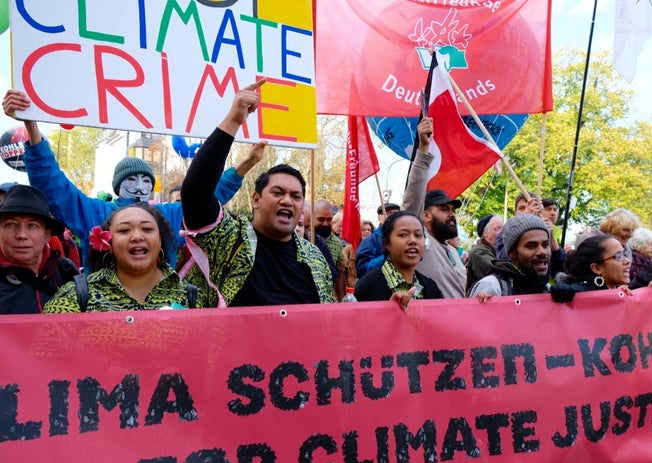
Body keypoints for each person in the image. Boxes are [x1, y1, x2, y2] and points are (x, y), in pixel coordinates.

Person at [3, 89, 248, 270]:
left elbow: (204, 198)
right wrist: (31, 127)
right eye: (132, 180)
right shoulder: (94, 212)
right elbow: (54, 187)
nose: (140, 187)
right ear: (117, 186)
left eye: (146, 181)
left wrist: (242, 167)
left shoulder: (171, 215)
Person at [180, 79, 335, 307]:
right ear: (256, 200)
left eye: (296, 196)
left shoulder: (314, 259)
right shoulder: (230, 240)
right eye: (278, 192)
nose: (287, 200)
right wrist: (233, 121)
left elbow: (328, 319)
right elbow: (195, 194)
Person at [44, 203, 200, 312]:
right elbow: (45, 353)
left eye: (147, 229)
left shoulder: (191, 296)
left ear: (160, 241)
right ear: (109, 244)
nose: (137, 236)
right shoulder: (77, 295)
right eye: (124, 230)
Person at [401, 117, 466, 298]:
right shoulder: (422, 243)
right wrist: (423, 149)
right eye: (444, 209)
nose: (452, 215)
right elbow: (412, 199)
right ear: (426, 216)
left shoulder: (452, 251)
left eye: (453, 210)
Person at [0, 185, 78, 314]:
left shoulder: (65, 272)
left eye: (32, 225)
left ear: (47, 235)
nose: (21, 235)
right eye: (10, 224)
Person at [355, 211, 442, 308]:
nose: (413, 241)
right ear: (386, 243)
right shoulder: (368, 286)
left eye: (418, 235)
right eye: (403, 235)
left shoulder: (430, 286)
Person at [550, 234, 652, 303]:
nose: (627, 260)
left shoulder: (619, 290)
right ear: (596, 268)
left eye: (624, 254)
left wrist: (647, 293)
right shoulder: (577, 296)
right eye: (618, 256)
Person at [469, 214, 551, 300]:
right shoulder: (492, 287)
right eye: (531, 246)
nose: (542, 252)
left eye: (545, 245)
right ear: (513, 253)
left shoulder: (547, 288)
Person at [356, 202, 400, 277]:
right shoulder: (370, 241)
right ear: (379, 218)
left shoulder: (403, 238)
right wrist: (387, 257)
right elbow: (362, 269)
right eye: (388, 213)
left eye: (396, 214)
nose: (392, 217)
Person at [466, 214, 503, 294]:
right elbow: (499, 274)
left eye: (503, 229)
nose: (502, 233)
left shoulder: (498, 250)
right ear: (485, 233)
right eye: (497, 229)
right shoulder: (478, 251)